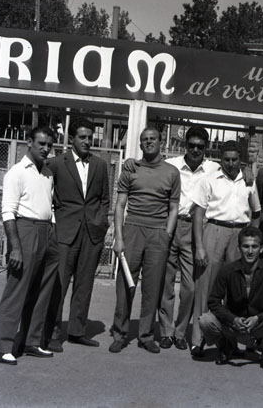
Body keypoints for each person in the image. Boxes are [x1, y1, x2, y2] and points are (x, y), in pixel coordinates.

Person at [108, 127, 180, 354]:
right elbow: (120, 205)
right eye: (145, 140)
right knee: (125, 285)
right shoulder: (131, 169)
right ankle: (120, 333)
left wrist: (167, 235)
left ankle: (146, 335)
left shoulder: (172, 172)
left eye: (153, 139)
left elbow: (174, 207)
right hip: (132, 230)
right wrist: (119, 237)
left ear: (161, 142)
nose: (149, 142)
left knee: (152, 287)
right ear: (140, 144)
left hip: (158, 233)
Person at [0, 126, 59, 365]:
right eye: (41, 143)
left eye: (49, 145)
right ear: (29, 142)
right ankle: (3, 346)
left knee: (42, 290)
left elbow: (48, 205)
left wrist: (52, 230)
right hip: (25, 229)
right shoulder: (17, 172)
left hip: (47, 231)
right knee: (17, 290)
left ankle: (31, 341)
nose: (45, 148)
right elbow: (8, 212)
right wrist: (16, 247)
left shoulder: (48, 173)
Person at [44, 120, 110, 352]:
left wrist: (102, 222)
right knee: (58, 285)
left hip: (92, 233)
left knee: (84, 285)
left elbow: (104, 199)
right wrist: (54, 224)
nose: (87, 141)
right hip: (65, 232)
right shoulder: (56, 163)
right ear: (71, 139)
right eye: (82, 137)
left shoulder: (100, 165)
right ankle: (52, 334)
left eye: (90, 137)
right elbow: (46, 194)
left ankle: (77, 331)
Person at [190, 140, 261, 356]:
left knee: (237, 289)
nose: (230, 163)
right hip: (215, 229)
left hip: (239, 234)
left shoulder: (248, 181)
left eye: (234, 159)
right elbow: (198, 213)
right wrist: (200, 246)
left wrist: (252, 238)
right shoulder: (209, 179)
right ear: (221, 159)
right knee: (206, 287)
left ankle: (230, 341)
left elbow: (256, 212)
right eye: (226, 159)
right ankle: (198, 339)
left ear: (241, 160)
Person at [157, 126, 219, 351]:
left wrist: (248, 172)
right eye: (191, 145)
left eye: (200, 146)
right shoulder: (170, 165)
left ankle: (181, 332)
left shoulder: (214, 169)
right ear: (185, 145)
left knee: (190, 287)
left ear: (206, 147)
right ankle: (166, 331)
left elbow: (236, 173)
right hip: (171, 224)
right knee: (166, 283)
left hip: (196, 229)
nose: (195, 150)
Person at [199, 227, 263, 369]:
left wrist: (258, 318)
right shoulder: (227, 270)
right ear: (239, 248)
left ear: (261, 249)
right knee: (205, 320)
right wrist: (233, 319)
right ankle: (225, 346)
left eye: (254, 247)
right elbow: (213, 302)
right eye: (246, 246)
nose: (250, 251)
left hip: (260, 324)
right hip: (233, 324)